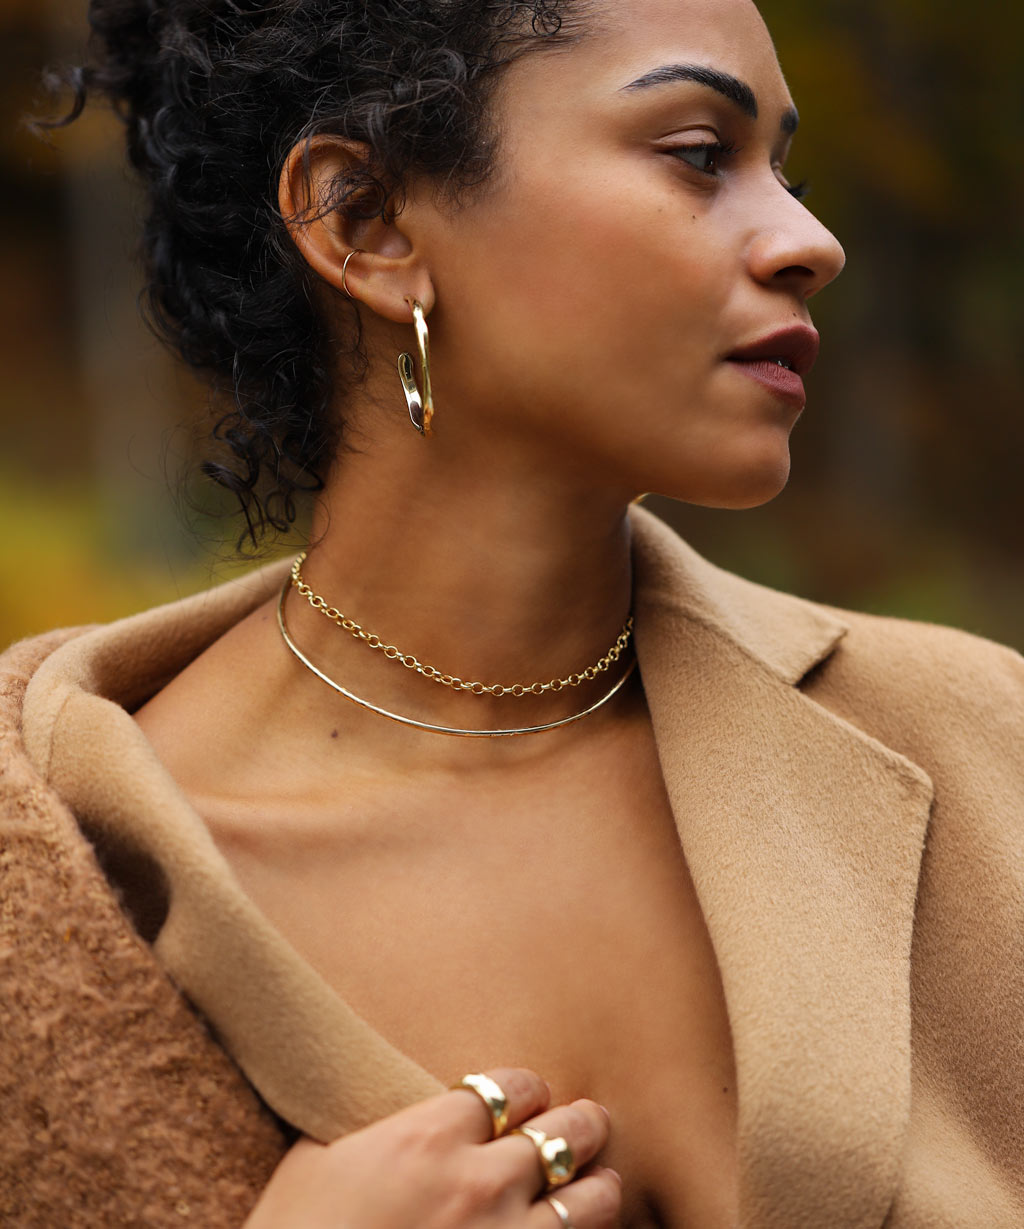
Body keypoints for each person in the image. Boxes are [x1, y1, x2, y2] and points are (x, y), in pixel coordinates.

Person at [1, 0, 1022, 1226]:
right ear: (364, 222)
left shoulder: (982, 748)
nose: (810, 240)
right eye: (700, 155)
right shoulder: (53, 891)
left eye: (783, 168)